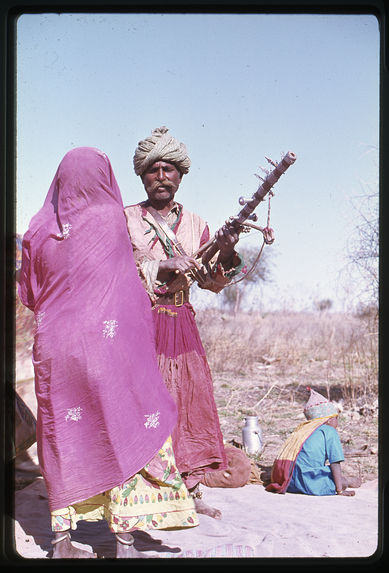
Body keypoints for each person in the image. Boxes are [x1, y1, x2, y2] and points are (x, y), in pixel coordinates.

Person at [17, 147, 198, 559]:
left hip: (54, 352)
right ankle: (124, 542)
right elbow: (127, 283)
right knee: (121, 425)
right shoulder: (109, 220)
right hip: (106, 348)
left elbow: (29, 294)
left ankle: (61, 542)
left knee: (62, 435)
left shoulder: (38, 228)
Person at [124, 126, 245, 519]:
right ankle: (141, 491)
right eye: (153, 169)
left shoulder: (197, 224)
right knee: (143, 402)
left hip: (180, 323)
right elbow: (111, 269)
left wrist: (226, 250)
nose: (162, 176)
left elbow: (212, 282)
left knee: (188, 403)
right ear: (142, 175)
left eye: (169, 169)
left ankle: (191, 490)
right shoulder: (125, 219)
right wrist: (161, 264)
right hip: (137, 323)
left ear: (181, 175)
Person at [266, 387, 361, 496]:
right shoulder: (329, 431)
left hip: (288, 482)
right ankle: (347, 481)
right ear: (329, 420)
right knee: (341, 481)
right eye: (336, 418)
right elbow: (335, 463)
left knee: (329, 474)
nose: (337, 423)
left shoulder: (302, 429)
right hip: (307, 482)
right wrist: (340, 489)